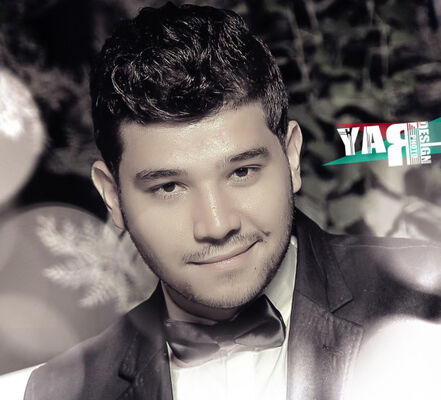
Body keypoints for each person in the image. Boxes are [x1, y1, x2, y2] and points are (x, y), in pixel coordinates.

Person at [24, 3, 441, 400]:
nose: (217, 224)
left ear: (291, 158)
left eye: (242, 172)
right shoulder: (65, 390)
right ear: (113, 196)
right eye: (168, 187)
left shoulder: (428, 302)